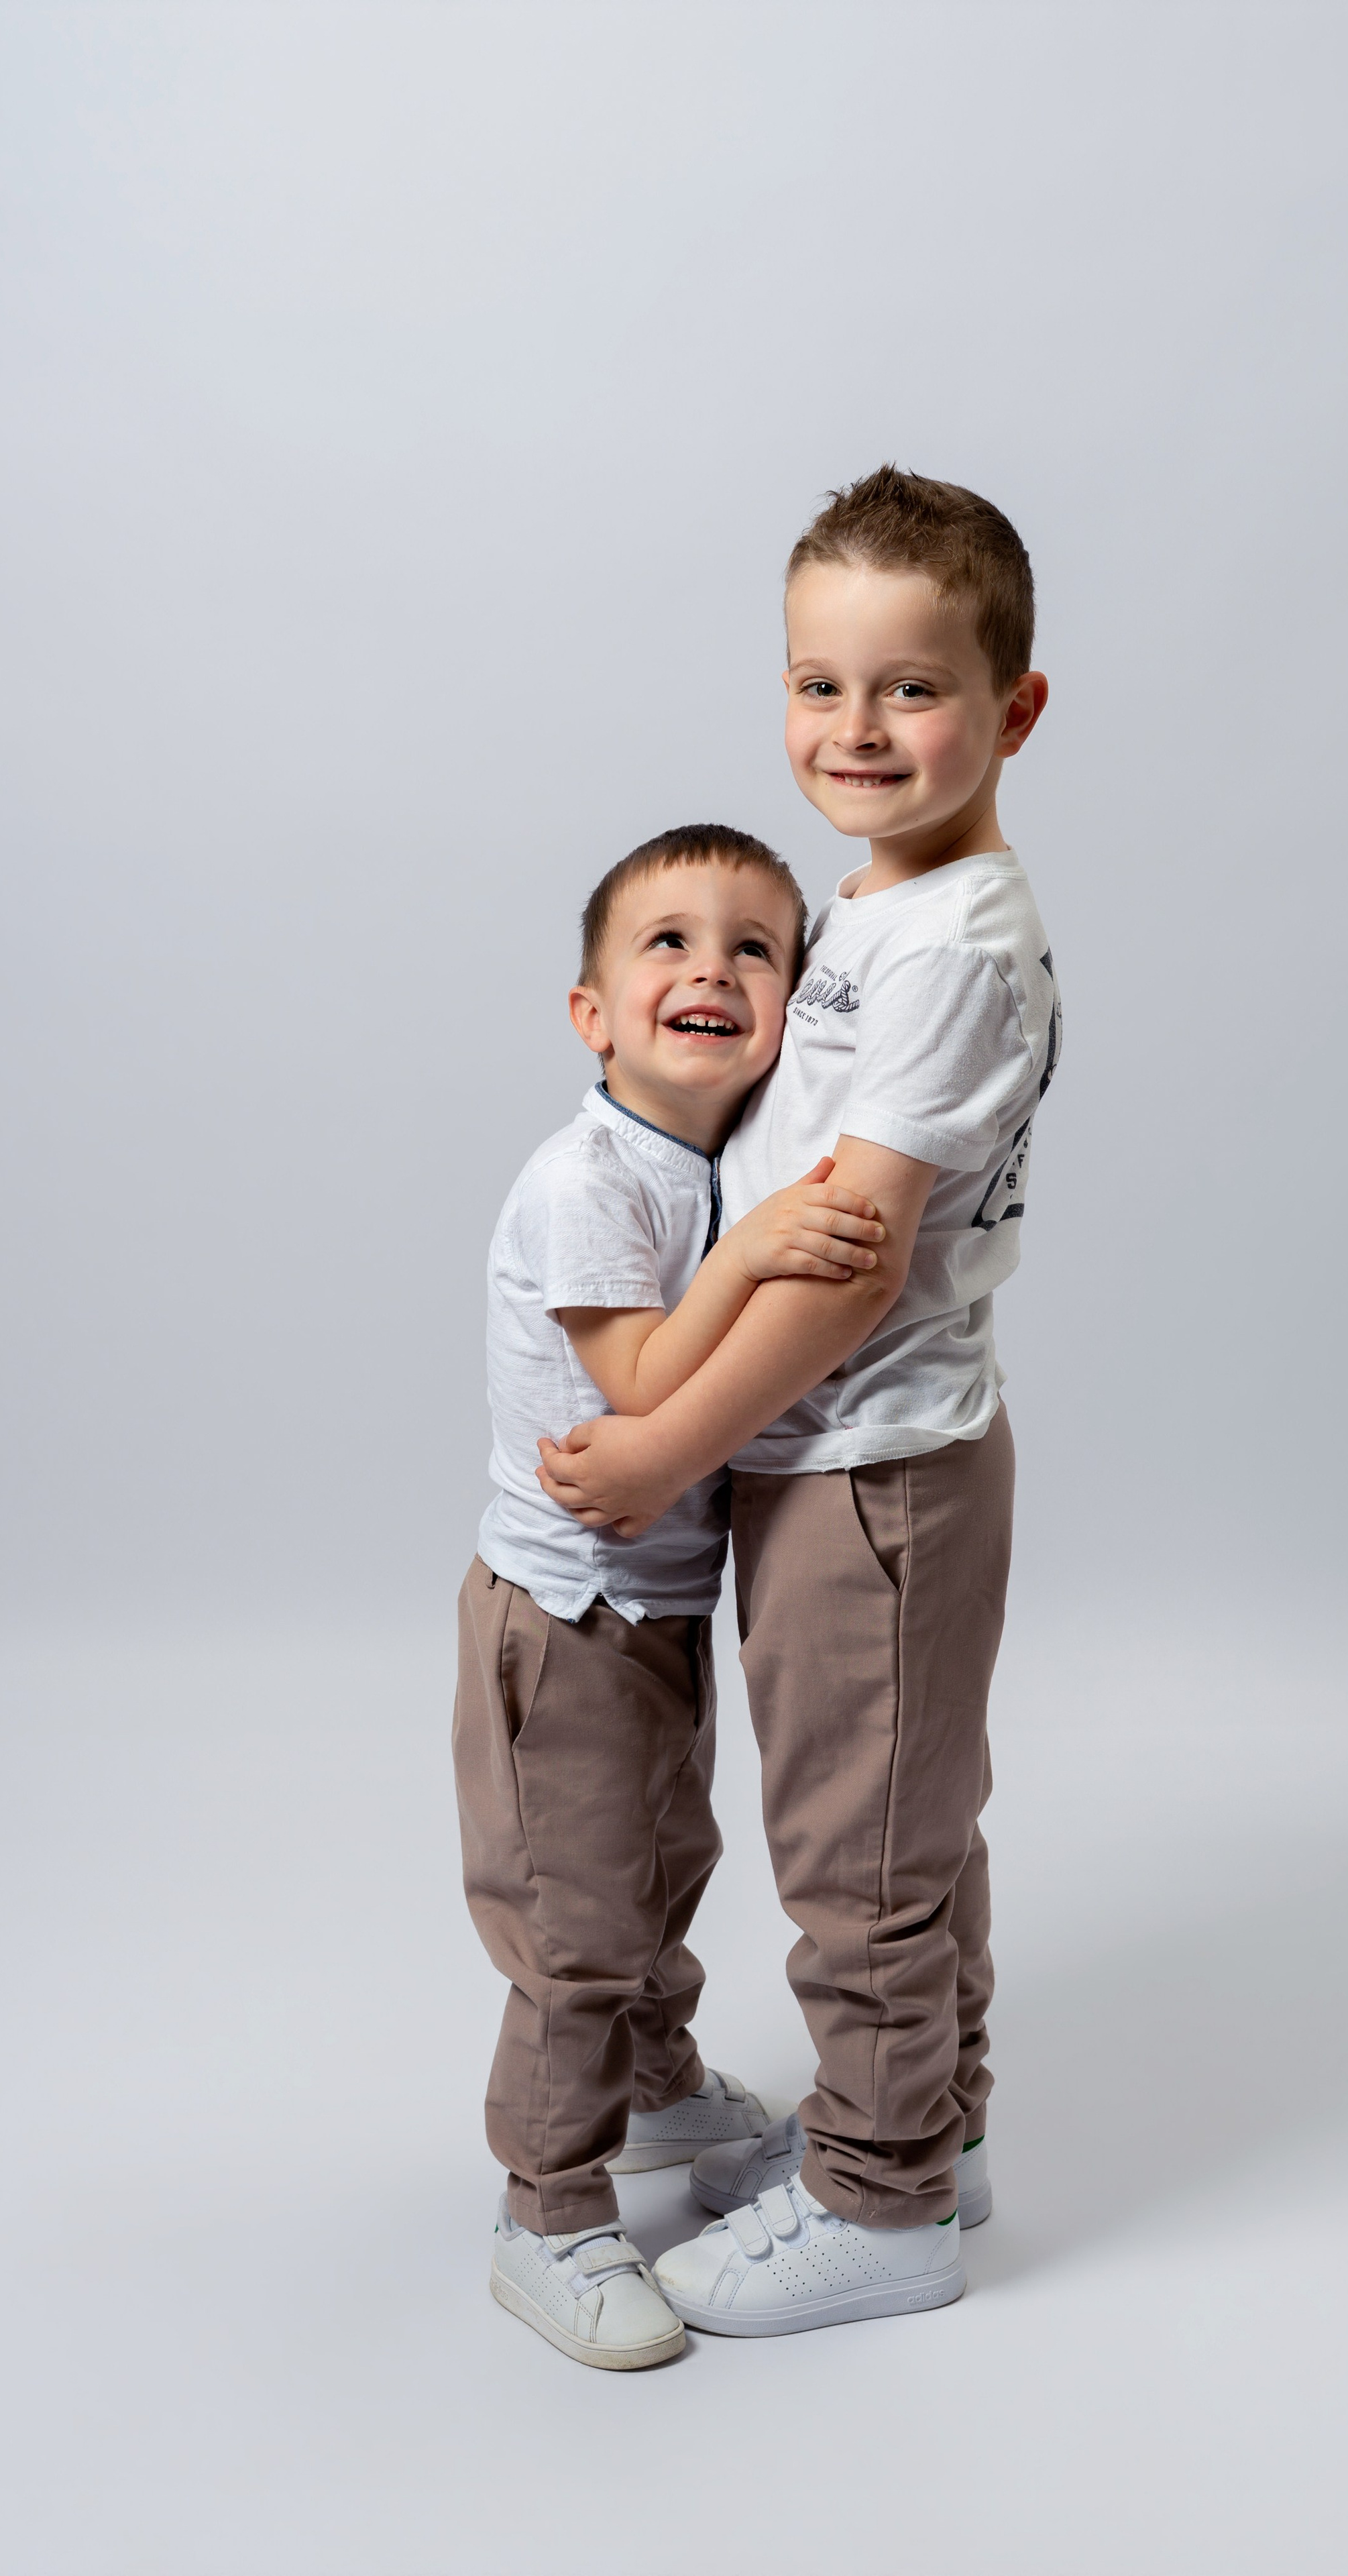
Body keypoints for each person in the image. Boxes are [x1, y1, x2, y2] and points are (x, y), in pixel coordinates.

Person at [537, 467, 1059, 2338]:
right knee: (893, 1823)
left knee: (868, 1858)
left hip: (878, 1469)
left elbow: (847, 1263)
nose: (854, 730)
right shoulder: (875, 909)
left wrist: (671, 1440)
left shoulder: (958, 949)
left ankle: (887, 2207)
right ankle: (931, 2127)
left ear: (1012, 711)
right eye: (816, 685)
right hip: (821, 1460)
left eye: (908, 690)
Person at [455, 822, 889, 2371]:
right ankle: (548, 2214)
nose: (709, 965)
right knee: (572, 1923)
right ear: (591, 1013)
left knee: (655, 1865)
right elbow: (638, 1380)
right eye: (666, 943)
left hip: (653, 1608)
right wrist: (759, 1249)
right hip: (565, 1615)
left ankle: (649, 2092)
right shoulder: (593, 1178)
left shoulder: (698, 1166)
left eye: (752, 948)